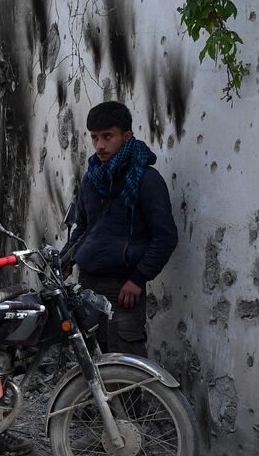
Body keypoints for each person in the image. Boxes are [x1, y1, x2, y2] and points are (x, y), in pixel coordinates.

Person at [65, 100, 178, 357]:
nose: (100, 145)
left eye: (108, 136)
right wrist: (68, 256)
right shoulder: (92, 178)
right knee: (91, 361)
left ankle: (131, 401)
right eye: (95, 138)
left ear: (126, 136)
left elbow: (165, 237)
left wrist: (138, 279)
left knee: (126, 363)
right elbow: (83, 226)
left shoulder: (147, 180)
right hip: (87, 284)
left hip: (122, 288)